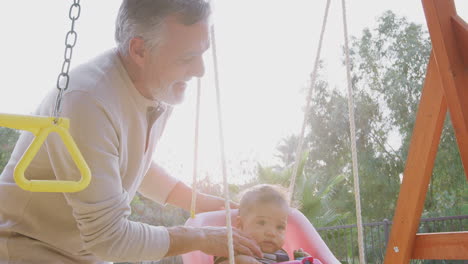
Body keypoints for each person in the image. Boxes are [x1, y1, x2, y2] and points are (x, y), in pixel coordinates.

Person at [0, 0, 262, 263]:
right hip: (26, 248)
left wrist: (203, 203)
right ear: (139, 50)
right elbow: (109, 238)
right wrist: (200, 237)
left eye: (202, 53)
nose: (200, 70)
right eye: (187, 58)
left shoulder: (158, 87)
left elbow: (131, 161)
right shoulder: (88, 101)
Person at [213, 184, 316, 264]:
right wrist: (237, 261)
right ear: (240, 224)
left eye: (279, 227)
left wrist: (301, 261)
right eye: (261, 223)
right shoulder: (234, 248)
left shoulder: (282, 256)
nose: (271, 233)